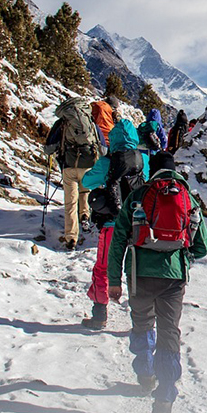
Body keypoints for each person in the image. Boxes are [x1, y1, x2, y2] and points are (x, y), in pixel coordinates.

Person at [107, 151, 207, 413]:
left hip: (139, 274)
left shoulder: (138, 197)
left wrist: (114, 280)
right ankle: (164, 400)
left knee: (141, 324)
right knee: (169, 335)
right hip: (174, 278)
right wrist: (182, 254)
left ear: (152, 170)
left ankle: (145, 375)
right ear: (174, 170)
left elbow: (118, 239)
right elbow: (203, 247)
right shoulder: (187, 198)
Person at [78, 118, 149, 329]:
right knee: (138, 270)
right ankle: (142, 320)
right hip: (138, 225)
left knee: (103, 268)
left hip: (111, 225)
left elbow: (86, 182)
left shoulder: (107, 162)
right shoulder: (143, 160)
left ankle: (99, 314)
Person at [43, 97, 107, 250]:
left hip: (69, 165)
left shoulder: (63, 122)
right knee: (85, 190)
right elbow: (103, 147)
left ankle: (71, 236)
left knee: (70, 201)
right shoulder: (90, 120)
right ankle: (84, 215)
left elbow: (49, 147)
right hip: (88, 164)